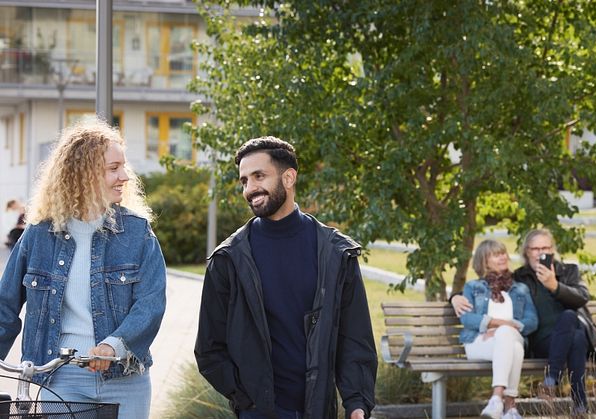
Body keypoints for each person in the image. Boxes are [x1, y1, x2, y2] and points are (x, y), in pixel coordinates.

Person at [195, 136, 377, 419]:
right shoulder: (228, 259)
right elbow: (209, 348)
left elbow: (355, 336)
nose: (250, 188)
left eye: (259, 176)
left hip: (318, 410)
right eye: (244, 180)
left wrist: (357, 402)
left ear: (289, 177)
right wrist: (246, 397)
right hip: (257, 412)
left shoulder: (336, 253)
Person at [0, 119, 167, 419]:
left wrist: (112, 345)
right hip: (62, 380)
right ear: (82, 174)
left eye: (123, 166)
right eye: (113, 168)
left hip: (126, 380)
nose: (125, 176)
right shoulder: (38, 234)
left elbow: (151, 304)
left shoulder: (137, 233)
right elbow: (5, 306)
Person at [457, 240, 537, 419]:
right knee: (512, 343)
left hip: (509, 339)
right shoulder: (473, 287)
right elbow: (467, 318)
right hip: (479, 343)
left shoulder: (520, 289)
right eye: (496, 254)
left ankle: (496, 399)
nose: (502, 257)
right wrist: (497, 323)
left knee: (507, 336)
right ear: (484, 261)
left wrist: (507, 328)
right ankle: (510, 407)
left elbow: (532, 320)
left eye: (503, 253)